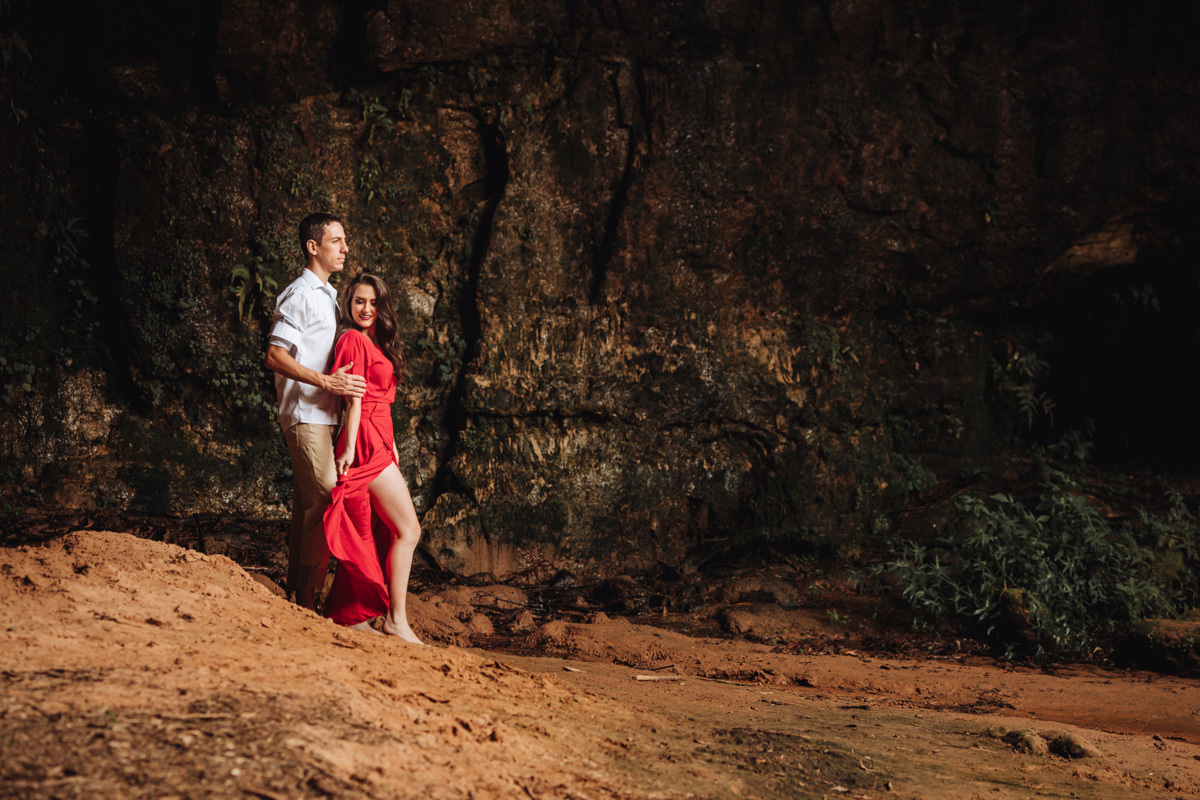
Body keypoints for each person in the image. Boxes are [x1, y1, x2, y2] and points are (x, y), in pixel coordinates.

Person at [265, 213, 366, 612]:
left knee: (307, 503)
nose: (344, 248)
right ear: (313, 247)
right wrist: (327, 383)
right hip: (305, 412)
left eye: (345, 240)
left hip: (324, 416)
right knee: (325, 499)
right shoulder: (300, 294)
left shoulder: (327, 293)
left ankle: (297, 590)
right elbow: (274, 355)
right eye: (336, 241)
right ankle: (307, 596)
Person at [322, 273, 423, 643]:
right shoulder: (350, 339)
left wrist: (392, 443)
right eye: (359, 301)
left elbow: (382, 402)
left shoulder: (373, 342)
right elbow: (354, 397)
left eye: (373, 302)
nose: (366, 308)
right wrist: (348, 446)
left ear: (382, 307)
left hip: (379, 438)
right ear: (349, 304)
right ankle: (396, 620)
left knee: (375, 529)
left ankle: (351, 614)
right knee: (408, 530)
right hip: (363, 437)